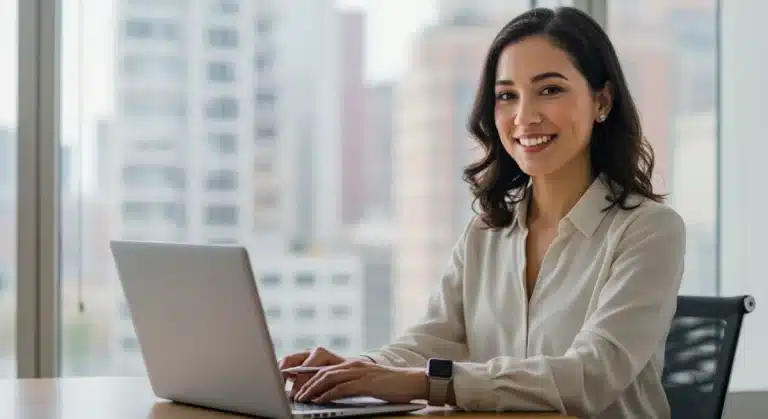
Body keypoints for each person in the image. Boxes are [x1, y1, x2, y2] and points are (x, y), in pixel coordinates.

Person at [278, 6, 685, 419]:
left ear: (602, 100)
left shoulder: (649, 230)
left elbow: (590, 376)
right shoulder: (486, 232)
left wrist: (427, 383)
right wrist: (356, 371)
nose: (524, 116)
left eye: (550, 90)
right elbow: (432, 340)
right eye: (507, 96)